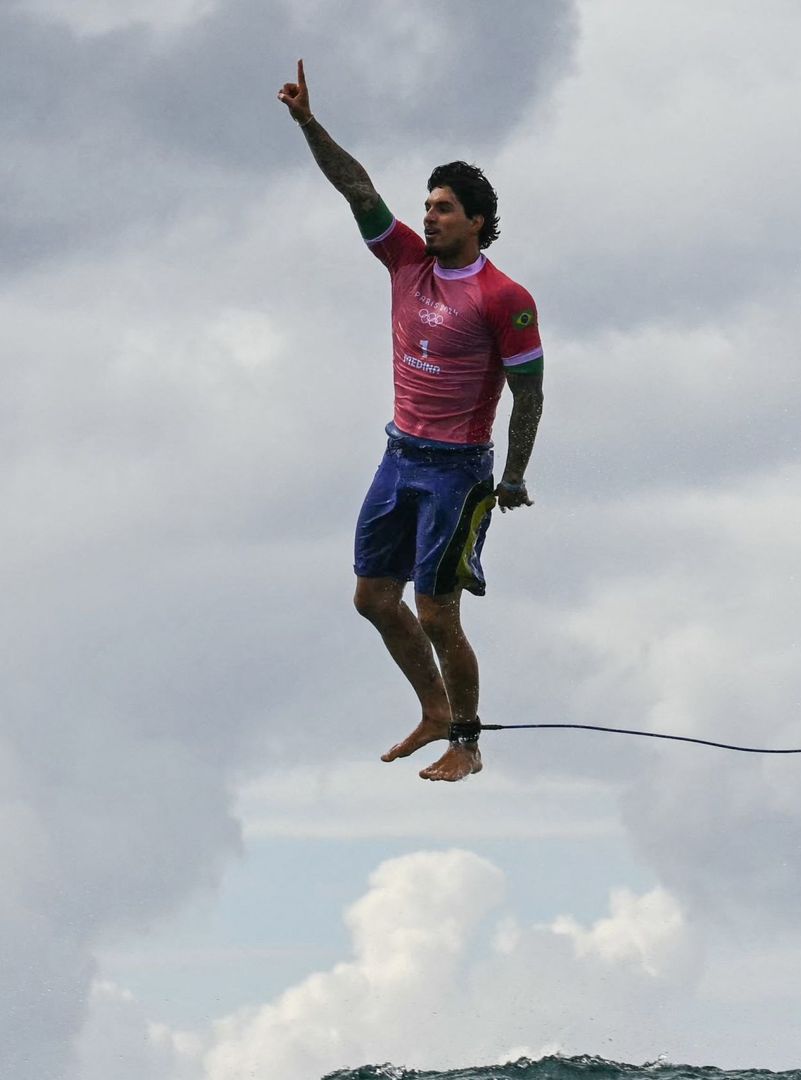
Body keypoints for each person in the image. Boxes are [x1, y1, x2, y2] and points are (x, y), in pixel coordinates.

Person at [278, 60, 545, 782]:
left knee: (436, 612)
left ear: (477, 222)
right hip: (399, 456)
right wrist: (307, 122)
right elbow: (356, 187)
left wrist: (514, 475)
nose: (428, 215)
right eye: (427, 205)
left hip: (457, 473)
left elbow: (529, 393)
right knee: (372, 597)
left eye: (444, 208)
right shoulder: (405, 261)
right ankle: (432, 709)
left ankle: (467, 740)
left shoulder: (504, 297)